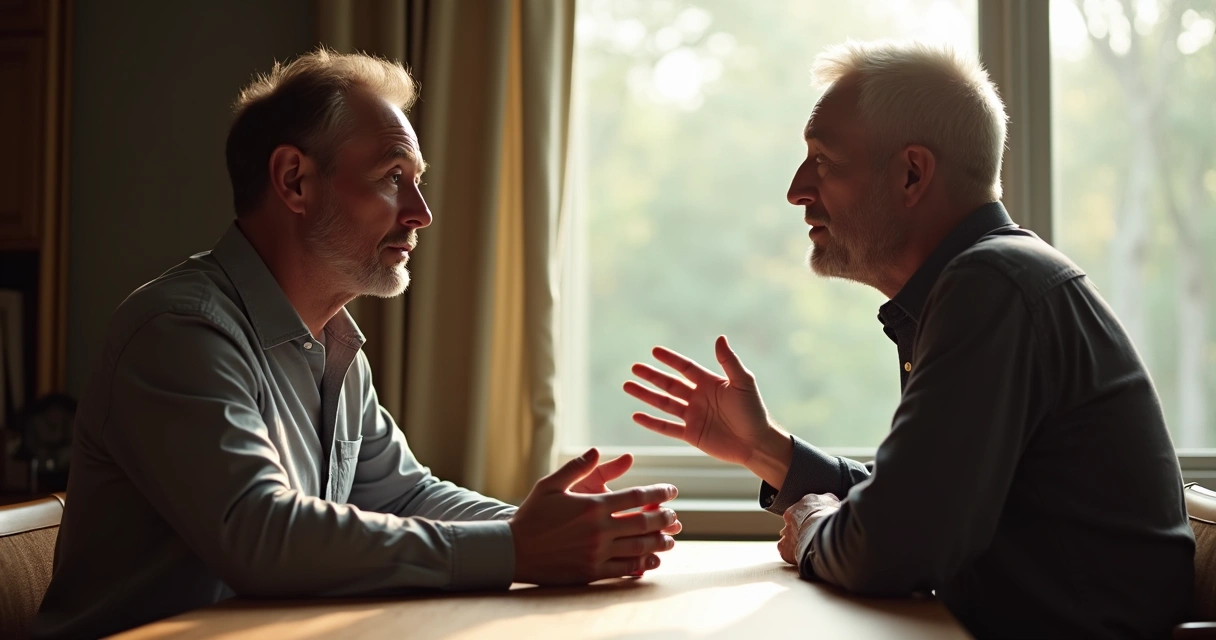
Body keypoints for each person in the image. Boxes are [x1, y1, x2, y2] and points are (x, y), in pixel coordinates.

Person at [34, 49, 680, 639]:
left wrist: (559, 529)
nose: (421, 212)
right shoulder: (179, 331)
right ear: (294, 180)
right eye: (393, 176)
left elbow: (404, 495)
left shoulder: (334, 341)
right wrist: (516, 549)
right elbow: (260, 534)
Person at [625, 40, 1194, 638]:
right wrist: (766, 449)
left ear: (912, 174)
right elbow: (910, 507)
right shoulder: (994, 279)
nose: (796, 189)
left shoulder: (990, 286)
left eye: (824, 160)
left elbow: (892, 545)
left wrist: (815, 526)